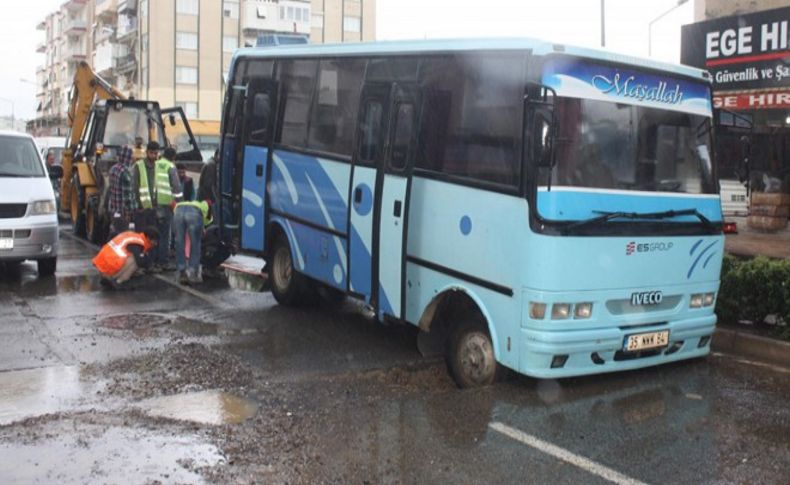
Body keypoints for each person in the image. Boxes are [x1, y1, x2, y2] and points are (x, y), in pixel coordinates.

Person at [132, 141, 182, 272]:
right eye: (151, 153)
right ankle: (144, 263)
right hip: (143, 208)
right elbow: (135, 187)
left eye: (156, 153)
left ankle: (152, 263)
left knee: (154, 236)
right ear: (147, 152)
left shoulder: (158, 166)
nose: (154, 155)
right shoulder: (139, 166)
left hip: (154, 207)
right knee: (144, 237)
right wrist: (138, 205)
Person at [93, 227, 159, 289]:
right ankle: (118, 281)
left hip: (102, 264)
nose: (155, 244)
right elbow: (140, 261)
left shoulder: (133, 236)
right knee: (135, 260)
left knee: (135, 257)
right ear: (148, 238)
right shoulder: (138, 243)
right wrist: (148, 263)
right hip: (109, 267)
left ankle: (108, 276)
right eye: (155, 241)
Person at [173, 199, 213, 284]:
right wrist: (202, 228)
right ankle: (192, 273)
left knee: (180, 242)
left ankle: (182, 272)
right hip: (194, 213)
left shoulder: (195, 201)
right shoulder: (206, 207)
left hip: (178, 210)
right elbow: (207, 221)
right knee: (195, 244)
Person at [107, 146, 138, 235]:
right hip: (123, 212)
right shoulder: (126, 173)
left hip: (114, 210)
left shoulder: (113, 169)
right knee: (122, 236)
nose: (133, 159)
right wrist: (132, 210)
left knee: (115, 234)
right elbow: (127, 196)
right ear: (128, 157)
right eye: (132, 157)